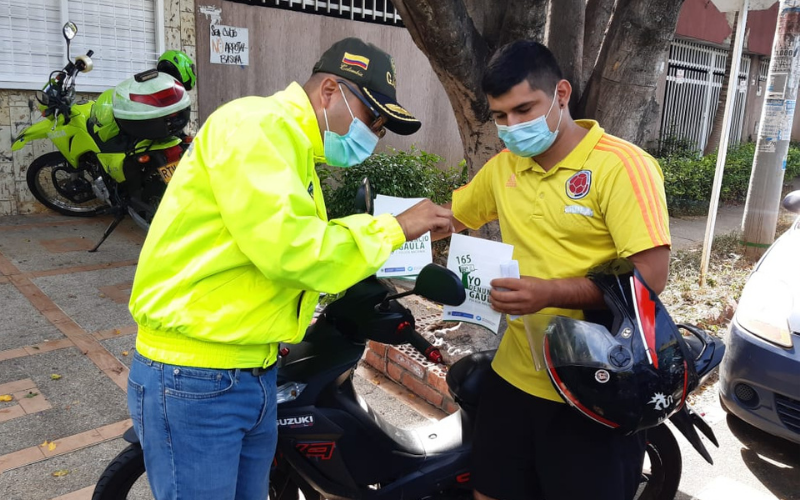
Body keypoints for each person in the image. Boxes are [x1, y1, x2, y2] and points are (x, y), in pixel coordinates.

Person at [127, 37, 453, 500]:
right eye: (373, 120)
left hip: (247, 369)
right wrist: (395, 228)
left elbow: (274, 242)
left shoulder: (290, 146)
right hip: (195, 377)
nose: (373, 137)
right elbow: (295, 253)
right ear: (329, 93)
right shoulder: (256, 128)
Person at [444, 41, 671, 500]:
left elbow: (651, 276)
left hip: (598, 384)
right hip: (514, 376)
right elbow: (448, 218)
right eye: (500, 116)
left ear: (561, 94)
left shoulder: (621, 167)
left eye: (524, 109)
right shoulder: (504, 168)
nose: (512, 127)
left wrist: (549, 293)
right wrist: (379, 236)